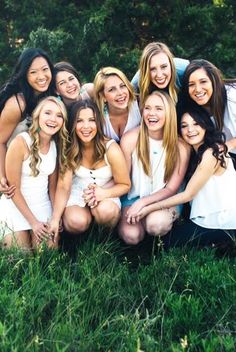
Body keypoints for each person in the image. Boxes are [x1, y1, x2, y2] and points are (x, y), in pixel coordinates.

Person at [133, 106, 236, 247]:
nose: (190, 130)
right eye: (184, 126)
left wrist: (149, 208)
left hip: (222, 220)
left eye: (196, 124)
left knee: (165, 244)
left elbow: (188, 194)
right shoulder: (196, 152)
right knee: (164, 241)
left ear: (205, 126)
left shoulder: (212, 153)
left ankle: (223, 242)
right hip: (209, 218)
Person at [49, 99, 131, 238]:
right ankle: (81, 238)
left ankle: (103, 238)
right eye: (79, 121)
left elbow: (125, 184)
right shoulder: (69, 147)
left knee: (106, 212)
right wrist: (55, 219)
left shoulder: (110, 149)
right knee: (76, 221)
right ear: (73, 124)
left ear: (98, 123)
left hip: (105, 191)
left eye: (91, 120)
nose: (86, 126)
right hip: (77, 190)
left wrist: (103, 193)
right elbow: (64, 187)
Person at [118, 91, 190, 245]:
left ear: (169, 113)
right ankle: (141, 227)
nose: (152, 113)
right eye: (147, 108)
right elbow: (124, 179)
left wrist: (143, 204)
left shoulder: (181, 146)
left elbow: (171, 189)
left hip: (166, 197)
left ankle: (156, 225)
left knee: (156, 225)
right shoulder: (130, 139)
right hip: (133, 197)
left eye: (158, 108)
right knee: (132, 236)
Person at [0, 96, 69, 250]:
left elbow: (52, 188)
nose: (53, 119)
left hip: (42, 205)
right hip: (16, 205)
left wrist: (55, 217)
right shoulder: (21, 142)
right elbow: (13, 189)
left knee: (47, 256)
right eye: (48, 113)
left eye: (59, 116)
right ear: (38, 116)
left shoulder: (55, 146)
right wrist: (33, 223)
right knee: (19, 259)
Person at [0, 47, 55, 197]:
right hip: (15, 168)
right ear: (25, 75)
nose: (41, 76)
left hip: (39, 168)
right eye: (33, 72)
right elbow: (0, 141)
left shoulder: (50, 96)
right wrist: (2, 177)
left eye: (45, 69)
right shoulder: (17, 104)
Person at [180, 59, 236, 158]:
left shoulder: (232, 96)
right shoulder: (193, 109)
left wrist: (229, 145)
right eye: (191, 84)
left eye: (203, 82)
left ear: (213, 81)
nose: (198, 89)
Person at [94, 67, 141, 143]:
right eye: (112, 90)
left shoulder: (140, 106)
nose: (120, 93)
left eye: (122, 86)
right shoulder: (99, 118)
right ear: (103, 96)